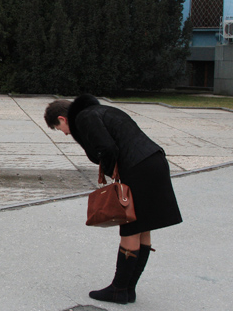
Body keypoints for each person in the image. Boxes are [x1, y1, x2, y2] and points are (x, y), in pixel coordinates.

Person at [44, 94, 182, 305]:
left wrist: (110, 173)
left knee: (130, 226)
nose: (63, 133)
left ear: (62, 118)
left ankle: (118, 289)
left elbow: (107, 148)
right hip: (154, 162)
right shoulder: (103, 111)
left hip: (137, 169)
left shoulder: (83, 118)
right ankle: (128, 289)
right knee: (143, 227)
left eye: (58, 128)